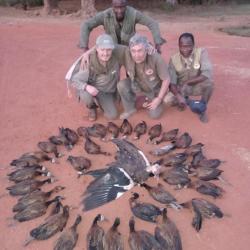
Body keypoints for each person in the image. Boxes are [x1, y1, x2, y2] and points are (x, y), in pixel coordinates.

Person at [70, 34, 127, 121]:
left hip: (106, 92)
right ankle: (91, 107)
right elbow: (74, 79)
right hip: (92, 89)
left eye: (108, 50)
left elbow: (133, 49)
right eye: (102, 49)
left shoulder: (117, 55)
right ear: (96, 49)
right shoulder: (89, 61)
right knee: (85, 94)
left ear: (112, 49)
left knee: (112, 116)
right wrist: (87, 87)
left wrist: (148, 46)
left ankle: (102, 102)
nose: (105, 53)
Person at [79, 0, 166, 54]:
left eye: (122, 7)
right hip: (112, 50)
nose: (119, 11)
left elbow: (152, 23)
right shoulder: (105, 15)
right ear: (112, 6)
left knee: (133, 72)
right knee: (111, 74)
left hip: (130, 49)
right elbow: (86, 25)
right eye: (116, 8)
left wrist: (158, 43)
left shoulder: (133, 13)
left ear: (126, 6)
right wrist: (85, 48)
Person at [117, 34, 170, 119]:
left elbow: (166, 79)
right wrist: (87, 53)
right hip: (137, 85)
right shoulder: (125, 52)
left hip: (154, 90)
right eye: (133, 51)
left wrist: (159, 99)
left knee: (154, 115)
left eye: (140, 51)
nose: (136, 55)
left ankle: (153, 99)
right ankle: (129, 109)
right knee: (121, 85)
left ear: (146, 49)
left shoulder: (156, 58)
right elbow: (105, 45)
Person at [167, 32, 214, 123]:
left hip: (196, 84)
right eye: (182, 46)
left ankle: (202, 108)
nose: (185, 49)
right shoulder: (173, 59)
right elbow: (172, 83)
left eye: (189, 46)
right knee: (167, 100)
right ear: (179, 45)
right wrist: (179, 96)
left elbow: (206, 74)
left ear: (193, 45)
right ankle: (185, 101)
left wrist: (187, 82)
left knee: (209, 84)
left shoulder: (201, 52)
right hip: (181, 88)